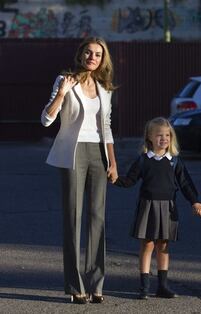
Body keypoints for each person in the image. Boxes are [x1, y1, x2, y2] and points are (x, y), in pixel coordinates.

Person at [40, 37, 118, 304]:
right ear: (81, 55)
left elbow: (106, 125)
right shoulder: (65, 80)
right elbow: (46, 119)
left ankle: (96, 283)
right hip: (72, 153)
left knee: (98, 219)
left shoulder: (105, 88)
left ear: (102, 59)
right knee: (74, 219)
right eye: (88, 52)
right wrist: (62, 93)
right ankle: (75, 286)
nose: (92, 57)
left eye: (97, 54)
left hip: (98, 154)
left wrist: (113, 161)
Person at [112, 117, 201, 300]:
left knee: (163, 246)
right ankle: (144, 287)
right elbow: (130, 180)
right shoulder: (143, 160)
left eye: (167, 135)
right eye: (159, 135)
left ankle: (162, 286)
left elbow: (185, 184)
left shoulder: (175, 161)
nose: (164, 139)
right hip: (147, 207)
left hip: (168, 208)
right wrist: (114, 179)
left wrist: (195, 201)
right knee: (147, 245)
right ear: (149, 137)